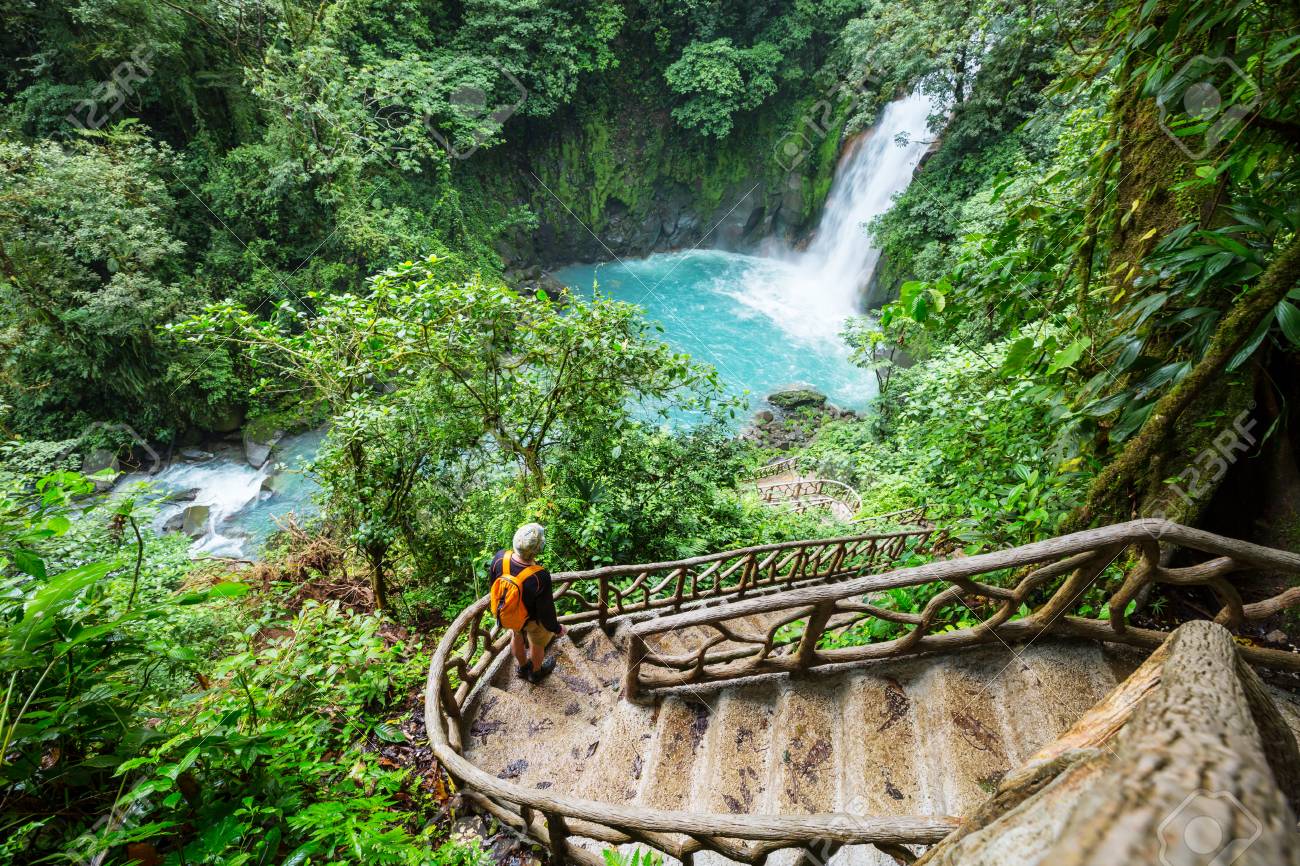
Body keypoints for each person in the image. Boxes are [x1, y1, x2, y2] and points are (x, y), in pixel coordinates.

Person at [488, 523, 564, 683]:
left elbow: (493, 587)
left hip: (510, 615)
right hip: (532, 621)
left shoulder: (500, 558)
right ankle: (535, 673)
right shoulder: (539, 576)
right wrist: (556, 628)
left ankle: (523, 668)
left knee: (516, 635)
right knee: (537, 644)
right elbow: (546, 611)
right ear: (537, 549)